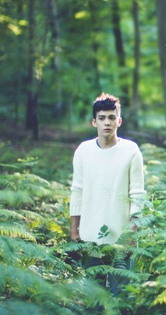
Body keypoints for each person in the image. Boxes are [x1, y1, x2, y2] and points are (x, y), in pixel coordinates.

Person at [69, 93, 146, 295]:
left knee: (119, 295)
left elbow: (137, 194)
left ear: (119, 121)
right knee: (93, 296)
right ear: (94, 122)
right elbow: (77, 190)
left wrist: (132, 233)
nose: (107, 123)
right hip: (90, 235)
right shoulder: (83, 151)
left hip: (122, 237)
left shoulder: (131, 151)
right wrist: (74, 229)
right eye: (102, 118)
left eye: (112, 118)